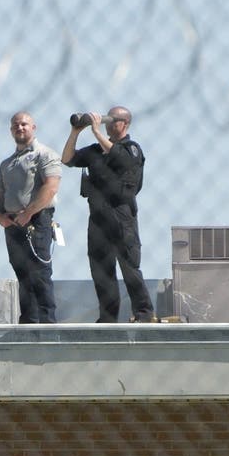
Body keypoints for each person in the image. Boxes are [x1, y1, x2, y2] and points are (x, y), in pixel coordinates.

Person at [62, 106, 156, 323]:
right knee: (101, 270)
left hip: (121, 216)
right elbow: (67, 159)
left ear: (126, 124)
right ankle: (108, 316)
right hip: (97, 218)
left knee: (129, 267)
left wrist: (96, 132)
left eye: (114, 121)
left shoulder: (131, 148)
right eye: (107, 121)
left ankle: (144, 313)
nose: (108, 125)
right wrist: (75, 131)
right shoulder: (96, 151)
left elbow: (121, 159)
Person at [0, 111, 61, 324]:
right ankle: (29, 321)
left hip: (37, 221)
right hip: (12, 224)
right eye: (15, 125)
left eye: (24, 124)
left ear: (33, 127)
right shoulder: (7, 164)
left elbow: (51, 187)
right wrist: (0, 217)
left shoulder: (45, 154)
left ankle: (48, 322)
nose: (20, 128)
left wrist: (28, 213)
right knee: (22, 272)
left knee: (40, 272)